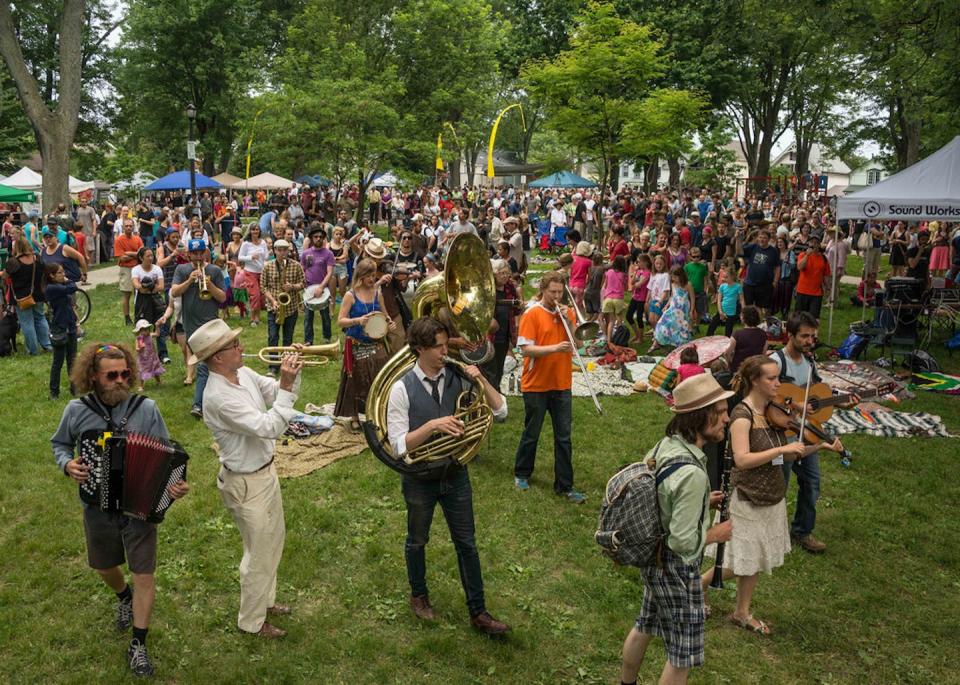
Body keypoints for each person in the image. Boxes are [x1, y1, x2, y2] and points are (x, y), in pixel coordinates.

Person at [51, 343, 189, 676]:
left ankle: (138, 644)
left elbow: (169, 454)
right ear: (93, 377)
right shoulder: (76, 410)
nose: (120, 380)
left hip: (138, 511)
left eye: (125, 373)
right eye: (111, 375)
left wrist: (174, 484)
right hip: (97, 506)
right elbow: (59, 444)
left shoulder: (147, 408)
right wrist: (67, 463)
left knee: (145, 574)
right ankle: (122, 595)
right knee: (103, 566)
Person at [386, 317, 510, 634]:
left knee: (467, 543)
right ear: (420, 349)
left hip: (455, 473)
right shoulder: (401, 388)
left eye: (445, 344)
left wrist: (481, 380)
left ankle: (479, 612)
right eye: (439, 347)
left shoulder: (458, 375)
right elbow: (399, 445)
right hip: (420, 477)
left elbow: (501, 412)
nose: (446, 351)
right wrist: (431, 426)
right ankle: (419, 595)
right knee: (417, 540)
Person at [700, 355, 837, 635]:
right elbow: (742, 459)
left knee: (757, 559)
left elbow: (787, 457)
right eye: (772, 379)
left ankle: (741, 612)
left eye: (778, 378)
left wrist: (819, 447)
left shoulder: (775, 413)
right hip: (747, 497)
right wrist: (781, 450)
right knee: (741, 560)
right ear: (755, 381)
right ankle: (697, 585)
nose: (778, 384)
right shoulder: (742, 415)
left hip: (772, 495)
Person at [619, 374, 733, 685]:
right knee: (681, 655)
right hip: (677, 570)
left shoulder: (666, 444)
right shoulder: (693, 475)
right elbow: (683, 541)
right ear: (701, 417)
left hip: (653, 560)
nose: (727, 417)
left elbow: (659, 494)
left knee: (645, 623)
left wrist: (697, 503)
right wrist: (716, 534)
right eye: (721, 411)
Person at [192, 319, 303, 639]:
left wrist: (293, 373)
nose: (241, 347)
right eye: (234, 345)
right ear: (217, 358)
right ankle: (251, 622)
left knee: (274, 541)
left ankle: (264, 602)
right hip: (245, 483)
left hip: (264, 472)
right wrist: (284, 387)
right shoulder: (218, 396)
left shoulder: (241, 374)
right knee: (256, 554)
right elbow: (269, 426)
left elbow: (278, 394)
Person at [770, 312, 855, 554]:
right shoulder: (776, 362)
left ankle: (801, 531)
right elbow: (762, 394)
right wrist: (793, 404)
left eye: (813, 336)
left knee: (812, 481)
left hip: (806, 432)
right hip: (781, 434)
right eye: (804, 336)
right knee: (780, 483)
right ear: (791, 335)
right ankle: (772, 533)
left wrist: (842, 402)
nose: (810, 341)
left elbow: (817, 396)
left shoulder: (809, 364)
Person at [512, 271, 586, 503]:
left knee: (564, 437)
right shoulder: (532, 314)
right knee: (531, 432)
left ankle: (564, 485)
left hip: (561, 383)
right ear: (543, 290)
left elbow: (579, 344)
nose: (556, 296)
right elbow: (525, 349)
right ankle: (522, 473)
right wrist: (554, 348)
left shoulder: (569, 313)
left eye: (560, 292)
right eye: (552, 292)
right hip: (536, 384)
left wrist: (571, 322)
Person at [335, 258, 395, 430]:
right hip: (356, 344)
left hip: (376, 343)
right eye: (369, 275)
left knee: (380, 375)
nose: (372, 279)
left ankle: (377, 411)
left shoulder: (378, 293)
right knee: (357, 379)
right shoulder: (350, 295)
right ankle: (355, 415)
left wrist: (389, 323)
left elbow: (385, 315)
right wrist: (357, 320)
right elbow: (340, 321)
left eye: (373, 274)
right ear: (360, 275)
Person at [170, 239, 227, 418]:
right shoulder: (182, 270)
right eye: (195, 253)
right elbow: (174, 292)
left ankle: (199, 405)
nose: (198, 256)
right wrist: (189, 281)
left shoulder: (215, 271)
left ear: (206, 253)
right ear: (189, 255)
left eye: (201, 252)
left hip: (211, 325)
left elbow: (222, 298)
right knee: (207, 365)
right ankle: (211, 402)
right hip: (191, 326)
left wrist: (208, 285)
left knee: (205, 366)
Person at [261, 239, 306, 375]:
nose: (282, 253)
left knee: (288, 338)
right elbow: (263, 287)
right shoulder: (268, 266)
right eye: (279, 250)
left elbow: (303, 283)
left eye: (284, 250)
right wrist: (273, 301)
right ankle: (273, 366)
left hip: (290, 307)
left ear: (288, 251)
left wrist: (292, 286)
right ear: (274, 251)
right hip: (273, 307)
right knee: (273, 337)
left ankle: (286, 363)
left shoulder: (296, 265)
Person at [1, 235, 52, 354]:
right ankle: (47, 345)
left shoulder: (13, 262)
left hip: (21, 297)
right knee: (40, 318)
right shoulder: (38, 258)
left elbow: (4, 276)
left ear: (17, 247)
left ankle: (33, 350)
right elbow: (44, 272)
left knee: (27, 323)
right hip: (38, 294)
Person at [44, 263, 79, 398]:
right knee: (58, 362)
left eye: (63, 272)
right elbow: (73, 287)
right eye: (60, 273)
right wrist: (68, 281)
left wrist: (76, 322)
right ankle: (54, 392)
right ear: (51, 276)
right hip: (59, 328)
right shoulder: (51, 288)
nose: (63, 275)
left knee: (72, 360)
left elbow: (69, 305)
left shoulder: (59, 287)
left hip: (69, 326)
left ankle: (74, 388)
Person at [300, 223, 335, 344]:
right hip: (309, 288)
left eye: (320, 236)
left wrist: (321, 287)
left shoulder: (328, 254)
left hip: (323, 288)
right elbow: (302, 269)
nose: (318, 238)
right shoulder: (306, 253)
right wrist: (303, 283)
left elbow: (329, 272)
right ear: (311, 238)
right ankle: (308, 340)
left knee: (325, 316)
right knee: (308, 317)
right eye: (316, 236)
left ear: (323, 238)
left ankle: (327, 338)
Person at [650, 267, 695, 353]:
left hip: (683, 310)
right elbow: (672, 296)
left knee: (680, 327)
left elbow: (692, 298)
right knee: (662, 322)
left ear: (681, 276)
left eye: (675, 277)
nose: (673, 279)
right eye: (672, 277)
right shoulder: (673, 284)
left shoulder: (688, 285)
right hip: (673, 308)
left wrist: (692, 310)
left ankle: (679, 344)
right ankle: (656, 342)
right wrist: (666, 305)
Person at [740, 229, 780, 316]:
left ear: (769, 239)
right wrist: (737, 239)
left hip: (765, 285)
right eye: (760, 237)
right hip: (750, 283)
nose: (762, 239)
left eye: (764, 238)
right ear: (757, 238)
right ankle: (748, 323)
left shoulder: (774, 251)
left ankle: (763, 325)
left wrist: (775, 282)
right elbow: (740, 251)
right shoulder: (753, 247)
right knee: (748, 306)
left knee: (764, 307)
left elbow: (777, 267)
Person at [114, 218, 145, 326]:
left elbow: (142, 254)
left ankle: (140, 315)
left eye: (130, 226)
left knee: (141, 292)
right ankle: (127, 318)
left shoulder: (137, 239)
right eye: (126, 226)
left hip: (138, 268)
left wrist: (129, 253)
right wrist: (135, 254)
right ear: (123, 227)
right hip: (126, 269)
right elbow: (121, 258)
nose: (128, 228)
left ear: (133, 227)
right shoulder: (118, 240)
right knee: (127, 294)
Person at [238, 224, 270, 326]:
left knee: (261, 296)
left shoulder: (263, 242)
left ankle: (258, 318)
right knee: (254, 295)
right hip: (250, 272)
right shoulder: (246, 244)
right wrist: (251, 257)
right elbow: (240, 257)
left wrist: (266, 258)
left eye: (257, 230)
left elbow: (266, 256)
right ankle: (252, 318)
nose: (255, 231)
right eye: (253, 230)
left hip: (261, 271)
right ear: (250, 231)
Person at [794, 234, 831, 319]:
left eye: (816, 243)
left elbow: (826, 275)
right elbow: (800, 267)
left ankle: (812, 332)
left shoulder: (823, 258)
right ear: (809, 244)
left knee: (813, 317)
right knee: (799, 317)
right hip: (802, 291)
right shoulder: (803, 255)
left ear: (819, 244)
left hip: (816, 293)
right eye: (812, 242)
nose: (813, 245)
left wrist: (828, 288)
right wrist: (807, 255)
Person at [726, 305, 767, 373]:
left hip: (738, 369)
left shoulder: (737, 334)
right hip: (755, 369)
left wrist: (729, 363)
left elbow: (727, 353)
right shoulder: (763, 334)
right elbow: (763, 354)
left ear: (743, 318)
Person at [707, 265, 743, 337]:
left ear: (732, 276)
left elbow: (742, 300)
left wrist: (743, 312)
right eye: (723, 276)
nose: (723, 279)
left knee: (728, 332)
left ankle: (728, 345)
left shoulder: (738, 286)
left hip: (731, 313)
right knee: (711, 327)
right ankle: (708, 340)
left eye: (726, 277)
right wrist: (720, 312)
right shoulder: (722, 286)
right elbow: (719, 300)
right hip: (721, 310)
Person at [601, 255, 629, 341]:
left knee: (611, 321)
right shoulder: (624, 275)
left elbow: (605, 285)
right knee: (619, 321)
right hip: (618, 299)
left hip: (608, 298)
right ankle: (619, 339)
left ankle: (609, 340)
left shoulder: (609, 272)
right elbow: (626, 288)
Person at [133, 319, 164, 392]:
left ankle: (158, 381)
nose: (145, 332)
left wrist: (157, 326)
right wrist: (141, 348)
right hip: (143, 359)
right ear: (139, 331)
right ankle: (141, 386)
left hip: (152, 357)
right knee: (142, 371)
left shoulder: (150, 335)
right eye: (142, 330)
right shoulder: (138, 339)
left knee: (155, 368)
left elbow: (157, 334)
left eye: (146, 329)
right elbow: (137, 349)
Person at [627, 253, 651, 343]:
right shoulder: (639, 271)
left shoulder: (647, 273)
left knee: (639, 318)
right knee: (628, 316)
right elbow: (633, 282)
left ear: (645, 262)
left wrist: (637, 281)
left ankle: (640, 338)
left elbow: (638, 284)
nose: (637, 263)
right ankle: (637, 334)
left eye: (638, 262)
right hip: (635, 296)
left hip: (642, 298)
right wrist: (635, 272)